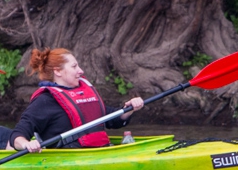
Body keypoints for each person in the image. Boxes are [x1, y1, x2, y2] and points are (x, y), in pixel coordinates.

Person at [9, 47, 145, 153]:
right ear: (58, 71)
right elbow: (17, 136)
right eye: (74, 66)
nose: (80, 71)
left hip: (98, 151)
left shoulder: (83, 94)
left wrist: (129, 109)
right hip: (67, 163)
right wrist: (27, 144)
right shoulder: (44, 101)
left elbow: (109, 118)